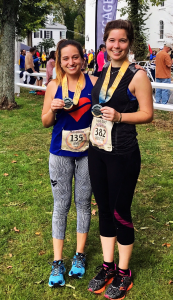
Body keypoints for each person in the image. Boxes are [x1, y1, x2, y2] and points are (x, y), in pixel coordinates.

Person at [88, 19, 153, 300]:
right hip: (97, 150)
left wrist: (121, 116)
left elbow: (148, 114)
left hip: (123, 154)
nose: (116, 46)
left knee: (119, 211)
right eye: (112, 40)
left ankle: (124, 273)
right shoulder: (102, 71)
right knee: (103, 209)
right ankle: (108, 266)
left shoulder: (138, 75)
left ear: (130, 44)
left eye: (122, 41)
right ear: (105, 42)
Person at [41, 39, 97, 288]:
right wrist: (52, 110)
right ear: (60, 60)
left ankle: (79, 255)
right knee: (60, 205)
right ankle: (57, 261)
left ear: (82, 58)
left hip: (88, 153)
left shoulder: (94, 83)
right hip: (60, 154)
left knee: (84, 203)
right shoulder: (54, 85)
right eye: (65, 58)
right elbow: (44, 122)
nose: (71, 62)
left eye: (75, 57)